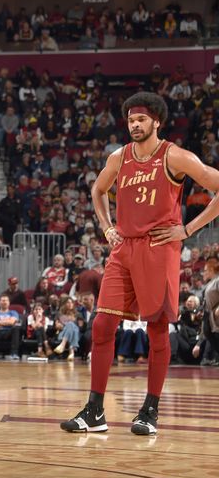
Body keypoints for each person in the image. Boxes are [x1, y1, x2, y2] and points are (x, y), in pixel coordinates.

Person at [61, 92, 219, 436]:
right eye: (131, 119)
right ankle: (95, 411)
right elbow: (97, 190)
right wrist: (106, 227)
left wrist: (188, 228)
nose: (135, 124)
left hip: (159, 248)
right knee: (102, 326)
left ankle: (150, 410)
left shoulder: (175, 156)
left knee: (157, 329)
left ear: (156, 121)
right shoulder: (119, 157)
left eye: (141, 119)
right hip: (123, 249)